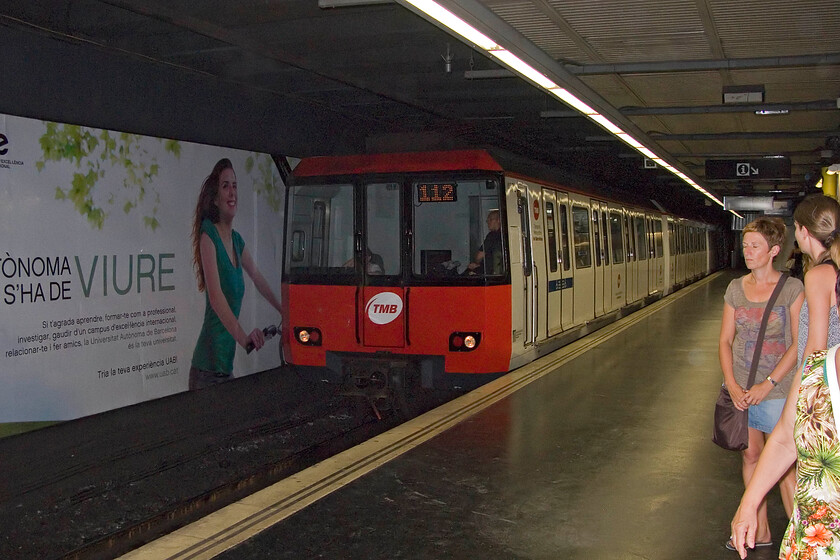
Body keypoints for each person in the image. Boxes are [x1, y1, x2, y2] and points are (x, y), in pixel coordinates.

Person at [730, 194, 840, 558]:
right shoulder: (824, 273)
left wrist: (795, 390)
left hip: (818, 393)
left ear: (803, 232)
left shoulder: (817, 276)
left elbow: (814, 347)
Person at [719, 217, 804, 549]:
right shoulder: (735, 289)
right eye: (745, 245)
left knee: (783, 470)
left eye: (755, 246)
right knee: (751, 456)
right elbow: (726, 340)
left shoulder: (792, 289)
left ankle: (804, 540)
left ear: (774, 251)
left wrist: (768, 384)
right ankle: (762, 530)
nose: (747, 251)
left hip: (777, 390)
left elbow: (800, 343)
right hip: (740, 390)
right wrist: (732, 383)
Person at [189, 158, 283, 390]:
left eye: (235, 185)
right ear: (215, 198)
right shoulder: (208, 235)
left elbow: (258, 279)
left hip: (223, 369)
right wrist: (244, 338)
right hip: (206, 371)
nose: (232, 192)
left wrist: (285, 311)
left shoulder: (237, 241)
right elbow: (216, 298)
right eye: (225, 186)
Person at [467, 209, 502, 274]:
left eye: (490, 219)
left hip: (489, 273)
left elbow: (479, 257)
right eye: (487, 220)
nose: (487, 222)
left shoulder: (492, 236)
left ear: (498, 220)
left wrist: (476, 264)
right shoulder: (506, 235)